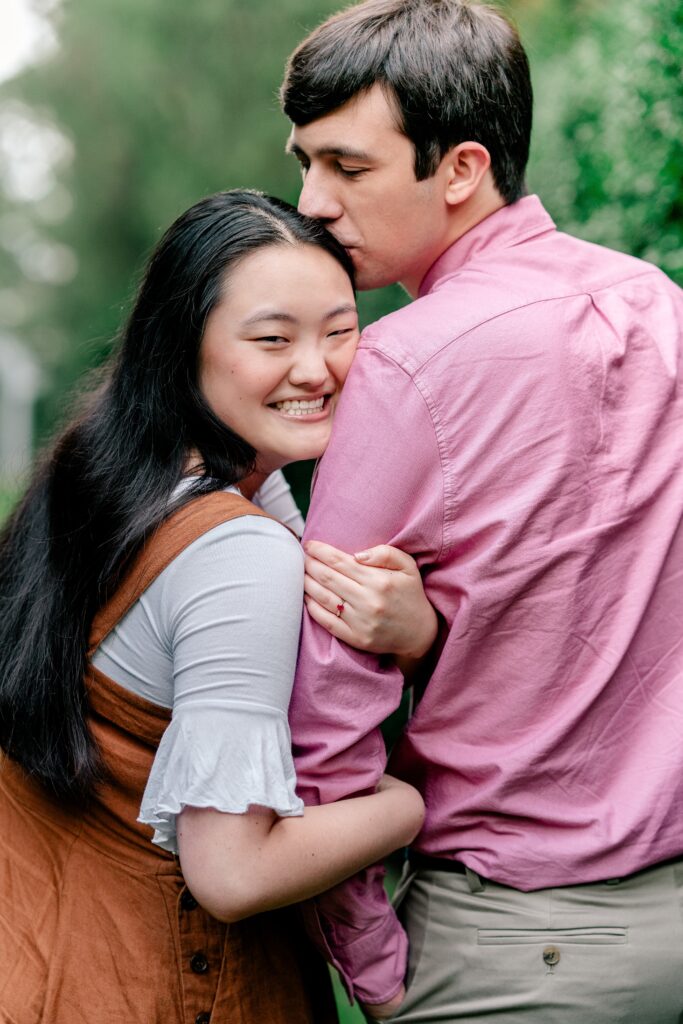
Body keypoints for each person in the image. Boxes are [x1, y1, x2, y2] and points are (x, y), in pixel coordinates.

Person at [279, 1, 683, 1021]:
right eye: (304, 163)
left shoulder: (401, 366)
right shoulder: (659, 306)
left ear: (459, 169)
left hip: (512, 947)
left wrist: (376, 970)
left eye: (347, 167)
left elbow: (322, 727)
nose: (311, 201)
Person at [0, 189, 431, 1024]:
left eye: (341, 331)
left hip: (50, 966)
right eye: (272, 339)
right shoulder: (236, 552)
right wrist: (409, 801)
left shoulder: (105, 474)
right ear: (182, 349)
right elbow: (233, 875)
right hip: (170, 989)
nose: (316, 368)